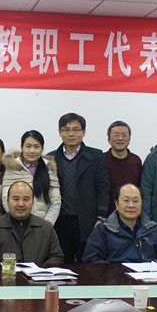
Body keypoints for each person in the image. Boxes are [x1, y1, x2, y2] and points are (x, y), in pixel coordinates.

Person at [48, 113, 109, 263]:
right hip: (60, 222)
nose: (71, 134)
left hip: (87, 222)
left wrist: (100, 217)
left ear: (84, 132)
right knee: (62, 266)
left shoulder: (96, 156)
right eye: (66, 129)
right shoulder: (50, 159)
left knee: (88, 266)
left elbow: (103, 188)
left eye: (76, 129)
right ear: (59, 132)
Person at [83, 184, 157, 263]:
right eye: (126, 201)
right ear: (116, 204)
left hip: (148, 277)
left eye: (135, 201)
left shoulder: (153, 229)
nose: (131, 205)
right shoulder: (103, 230)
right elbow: (91, 260)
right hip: (116, 278)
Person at [0, 182, 64, 264]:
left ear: (32, 202)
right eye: (16, 199)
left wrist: (40, 271)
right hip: (3, 275)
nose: (21, 204)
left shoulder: (46, 228)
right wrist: (5, 271)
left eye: (26, 199)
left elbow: (57, 256)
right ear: (7, 201)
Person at [1, 131, 60, 224]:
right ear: (22, 147)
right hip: (17, 224)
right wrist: (20, 222)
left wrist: (46, 226)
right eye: (28, 146)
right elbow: (6, 199)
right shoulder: (12, 167)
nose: (32, 151)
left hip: (43, 225)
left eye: (36, 147)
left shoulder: (49, 167)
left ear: (42, 148)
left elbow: (55, 201)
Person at [104, 121, 142, 214]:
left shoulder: (136, 161)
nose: (120, 138)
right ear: (109, 140)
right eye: (116, 135)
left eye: (124, 135)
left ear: (129, 140)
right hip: (106, 213)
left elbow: (140, 187)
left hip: (131, 212)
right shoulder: (101, 159)